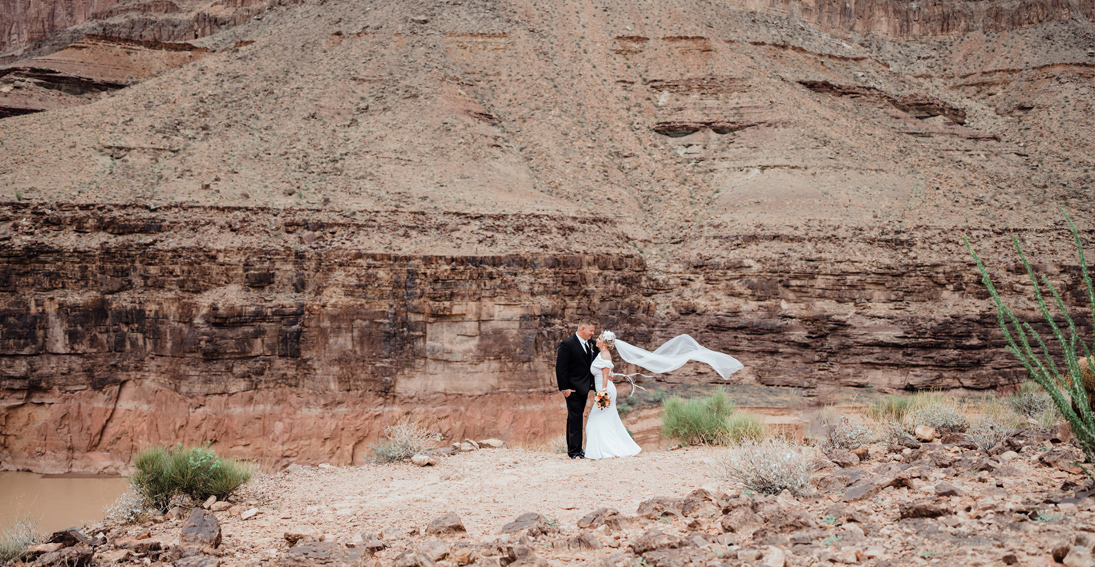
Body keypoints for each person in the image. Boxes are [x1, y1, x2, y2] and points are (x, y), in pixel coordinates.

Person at [585, 332, 642, 459]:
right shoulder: (602, 354)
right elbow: (609, 373)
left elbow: (605, 376)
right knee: (605, 420)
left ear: (604, 343)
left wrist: (603, 394)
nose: (597, 340)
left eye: (599, 338)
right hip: (604, 390)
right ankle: (603, 450)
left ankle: (603, 451)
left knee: (593, 419)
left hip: (605, 392)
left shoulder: (605, 355)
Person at [555, 321, 598, 459]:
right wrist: (564, 389)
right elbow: (561, 368)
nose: (592, 333)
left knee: (575, 417)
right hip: (572, 389)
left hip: (584, 388)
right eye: (591, 330)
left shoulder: (590, 344)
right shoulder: (567, 344)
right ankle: (574, 452)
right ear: (583, 328)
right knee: (575, 418)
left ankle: (577, 449)